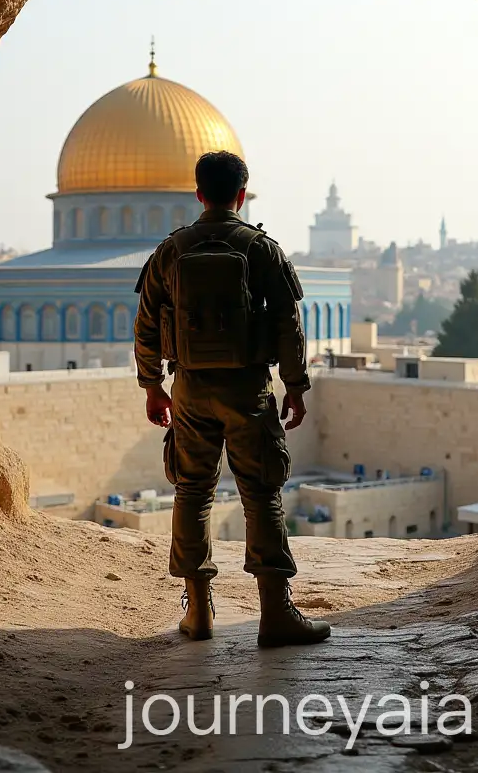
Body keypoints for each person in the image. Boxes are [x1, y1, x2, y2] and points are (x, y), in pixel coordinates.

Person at [133, 151, 330, 648]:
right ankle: (274, 614)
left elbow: (147, 324)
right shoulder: (260, 248)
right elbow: (289, 325)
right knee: (261, 493)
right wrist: (297, 388)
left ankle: (198, 612)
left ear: (199, 194)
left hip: (191, 390)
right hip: (248, 389)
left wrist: (153, 386)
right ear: (242, 195)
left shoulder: (171, 251)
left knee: (192, 492)